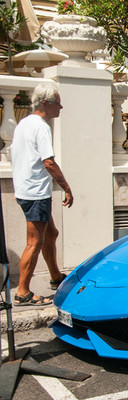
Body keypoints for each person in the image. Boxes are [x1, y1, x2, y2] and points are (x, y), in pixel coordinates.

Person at [11, 82, 73, 306]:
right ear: (45, 104)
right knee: (34, 242)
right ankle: (22, 291)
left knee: (51, 233)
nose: (61, 107)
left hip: (28, 190)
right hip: (35, 193)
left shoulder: (24, 124)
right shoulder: (41, 126)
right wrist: (66, 187)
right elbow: (49, 162)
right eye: (58, 103)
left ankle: (56, 276)